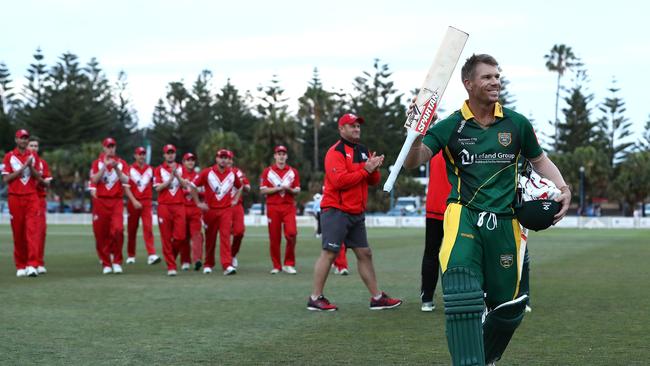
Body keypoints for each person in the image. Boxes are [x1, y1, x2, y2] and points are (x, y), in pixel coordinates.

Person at [404, 54, 571, 365]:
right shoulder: (451, 125)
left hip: (507, 221)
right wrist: (414, 136)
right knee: (461, 289)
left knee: (507, 307)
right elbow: (416, 160)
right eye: (487, 77)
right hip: (463, 213)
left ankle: (486, 356)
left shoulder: (517, 123)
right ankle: (468, 359)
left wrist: (564, 189)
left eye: (497, 76)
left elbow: (539, 160)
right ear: (468, 84)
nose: (495, 81)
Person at [307, 113, 402, 311]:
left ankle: (377, 298)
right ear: (341, 129)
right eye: (352, 126)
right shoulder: (336, 152)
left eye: (358, 126)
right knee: (330, 253)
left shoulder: (362, 150)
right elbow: (339, 181)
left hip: (356, 212)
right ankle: (315, 297)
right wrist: (365, 169)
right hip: (336, 210)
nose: (357, 129)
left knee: (365, 253)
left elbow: (372, 181)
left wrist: (374, 168)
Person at [2, 129, 46, 277]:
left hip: (31, 197)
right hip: (15, 198)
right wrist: (23, 167)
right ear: (16, 140)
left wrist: (30, 166)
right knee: (18, 232)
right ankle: (21, 265)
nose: (24, 141)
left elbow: (39, 177)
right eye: (22, 138)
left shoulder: (34, 157)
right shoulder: (9, 157)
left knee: (32, 231)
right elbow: (6, 179)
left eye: (26, 138)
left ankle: (32, 264)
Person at [190, 149, 241, 276]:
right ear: (216, 159)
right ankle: (208, 264)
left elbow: (239, 186)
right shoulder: (207, 172)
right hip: (210, 210)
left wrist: (235, 199)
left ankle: (227, 265)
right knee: (210, 238)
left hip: (226, 210)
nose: (223, 160)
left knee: (225, 237)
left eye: (226, 157)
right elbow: (192, 185)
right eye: (221, 157)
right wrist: (198, 203)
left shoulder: (232, 174)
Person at [89, 137, 133, 274]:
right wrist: (104, 167)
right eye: (108, 146)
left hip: (116, 201)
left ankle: (117, 261)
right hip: (101, 201)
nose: (110, 149)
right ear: (103, 148)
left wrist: (116, 169)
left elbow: (126, 180)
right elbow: (94, 180)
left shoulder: (122, 163)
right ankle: (106, 263)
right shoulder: (97, 163)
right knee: (101, 234)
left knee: (118, 230)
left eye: (113, 146)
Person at [260, 145, 301, 274]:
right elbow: (263, 190)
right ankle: (276, 265)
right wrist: (277, 189)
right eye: (279, 154)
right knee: (274, 237)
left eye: (283, 154)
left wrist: (289, 189)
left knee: (292, 233)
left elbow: (297, 190)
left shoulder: (293, 171)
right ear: (275, 156)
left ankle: (289, 263)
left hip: (288, 206)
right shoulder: (268, 171)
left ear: (286, 156)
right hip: (273, 207)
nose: (281, 156)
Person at [420, 152, 451, 312]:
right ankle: (454, 297)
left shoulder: (434, 144)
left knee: (431, 253)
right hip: (455, 207)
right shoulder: (463, 141)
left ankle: (427, 299)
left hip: (434, 205)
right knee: (456, 254)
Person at [154, 144, 190, 276]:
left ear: (175, 154)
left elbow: (185, 185)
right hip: (164, 205)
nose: (170, 155)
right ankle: (171, 266)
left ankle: (171, 258)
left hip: (179, 205)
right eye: (168, 153)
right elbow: (157, 188)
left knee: (180, 237)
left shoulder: (181, 168)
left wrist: (177, 175)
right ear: (164, 155)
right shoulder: (158, 169)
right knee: (166, 237)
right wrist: (170, 178)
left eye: (172, 152)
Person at [125, 146, 161, 265]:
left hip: (146, 202)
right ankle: (131, 255)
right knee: (132, 230)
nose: (142, 156)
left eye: (143, 154)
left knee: (148, 228)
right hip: (133, 202)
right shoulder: (129, 169)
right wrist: (134, 201)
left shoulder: (150, 169)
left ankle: (151, 254)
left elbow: (156, 185)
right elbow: (126, 188)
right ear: (135, 156)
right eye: (139, 154)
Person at [27, 137, 53, 275]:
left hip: (39, 199)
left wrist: (39, 179)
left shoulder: (43, 163)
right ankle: (29, 262)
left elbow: (48, 183)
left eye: (36, 146)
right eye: (31, 145)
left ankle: (39, 261)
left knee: (40, 231)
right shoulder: (20, 162)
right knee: (29, 231)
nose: (34, 148)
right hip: (25, 199)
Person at [225, 150, 250, 269]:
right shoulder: (214, 172)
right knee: (221, 234)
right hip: (221, 207)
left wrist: (240, 184)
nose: (228, 161)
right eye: (225, 158)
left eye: (230, 158)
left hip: (236, 206)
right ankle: (211, 262)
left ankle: (233, 254)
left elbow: (248, 187)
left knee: (239, 232)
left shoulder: (237, 172)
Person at [181, 152, 205, 271]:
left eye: (192, 160)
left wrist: (194, 192)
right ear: (183, 162)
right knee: (184, 236)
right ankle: (185, 260)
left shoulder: (198, 176)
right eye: (188, 160)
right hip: (182, 208)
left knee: (196, 235)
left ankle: (197, 259)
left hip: (195, 209)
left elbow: (203, 192)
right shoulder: (180, 175)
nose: (190, 162)